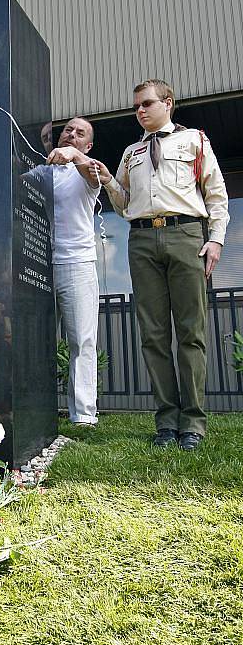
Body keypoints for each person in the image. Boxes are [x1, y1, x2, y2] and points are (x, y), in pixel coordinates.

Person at [91, 79, 229, 450]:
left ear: (168, 103)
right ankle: (167, 422)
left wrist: (214, 238)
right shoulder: (131, 152)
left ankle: (194, 424)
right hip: (141, 240)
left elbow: (216, 193)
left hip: (186, 235)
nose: (140, 110)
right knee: (153, 334)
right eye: (137, 105)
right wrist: (107, 180)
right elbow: (123, 204)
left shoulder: (194, 141)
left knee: (191, 332)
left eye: (147, 103)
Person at [29, 117, 101, 426]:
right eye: (68, 130)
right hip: (39, 266)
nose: (71, 134)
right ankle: (34, 411)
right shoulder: (40, 172)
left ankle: (83, 415)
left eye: (79, 133)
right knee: (35, 340)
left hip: (78, 265)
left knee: (82, 341)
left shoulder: (89, 172)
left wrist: (75, 156)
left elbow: (94, 174)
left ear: (88, 144)